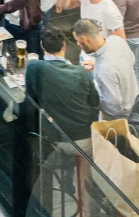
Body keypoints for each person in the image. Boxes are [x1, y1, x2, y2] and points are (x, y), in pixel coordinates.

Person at [25, 26, 100, 154]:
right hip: (84, 138)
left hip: (54, 140)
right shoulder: (81, 72)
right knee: (83, 159)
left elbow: (31, 99)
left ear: (42, 45)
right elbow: (94, 101)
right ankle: (82, 173)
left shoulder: (33, 66)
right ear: (64, 46)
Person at [72, 19, 138, 120]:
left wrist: (92, 102)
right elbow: (131, 60)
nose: (77, 44)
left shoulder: (104, 70)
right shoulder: (116, 40)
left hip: (120, 118)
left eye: (78, 41)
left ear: (85, 40)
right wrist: (97, 64)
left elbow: (113, 107)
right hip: (135, 100)